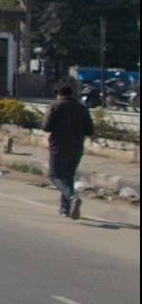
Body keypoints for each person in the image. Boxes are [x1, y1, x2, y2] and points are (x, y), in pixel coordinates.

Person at [42, 82, 94, 220]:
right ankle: (65, 208)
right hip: (76, 147)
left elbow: (46, 127)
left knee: (54, 175)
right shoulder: (82, 107)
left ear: (59, 94)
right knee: (69, 176)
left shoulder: (55, 106)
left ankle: (72, 197)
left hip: (58, 146)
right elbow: (90, 130)